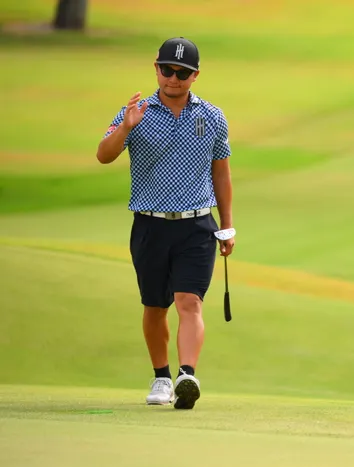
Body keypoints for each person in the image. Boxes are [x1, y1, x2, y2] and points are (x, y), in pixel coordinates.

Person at [96, 37, 235, 410]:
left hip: (197, 225)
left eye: (182, 73)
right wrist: (126, 128)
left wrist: (227, 225)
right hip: (150, 225)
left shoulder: (212, 116)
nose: (173, 78)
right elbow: (103, 155)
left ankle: (187, 375)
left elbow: (221, 174)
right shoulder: (135, 112)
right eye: (167, 70)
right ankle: (161, 377)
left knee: (189, 301)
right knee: (155, 305)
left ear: (195, 76)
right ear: (156, 68)